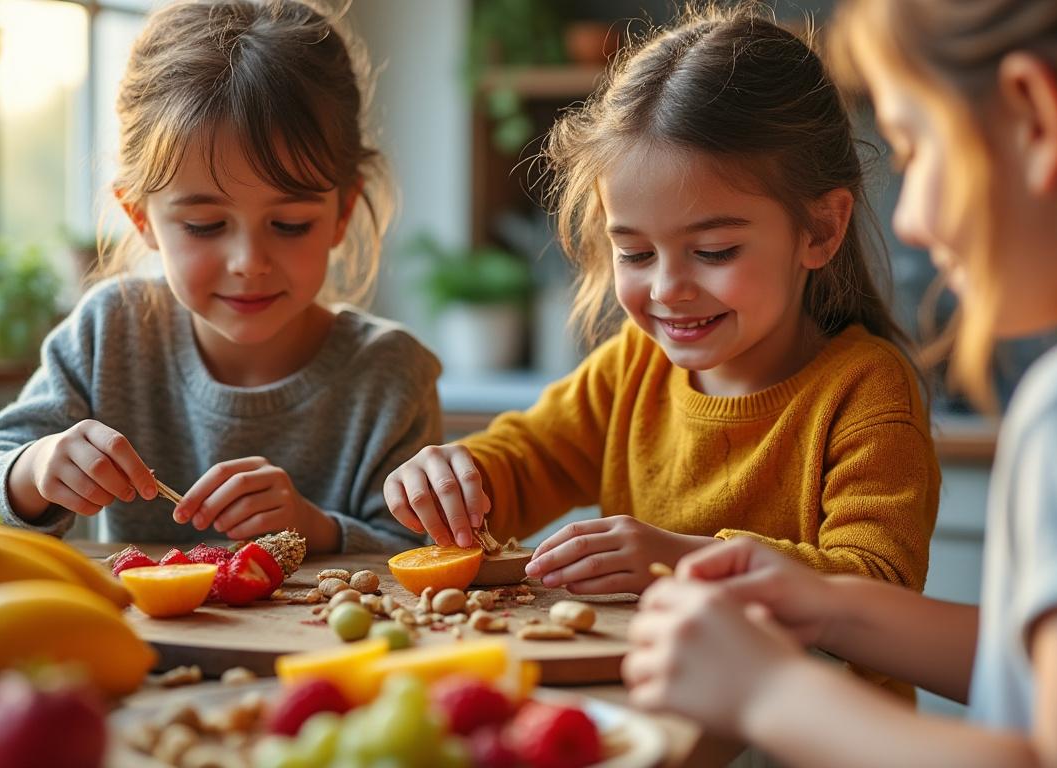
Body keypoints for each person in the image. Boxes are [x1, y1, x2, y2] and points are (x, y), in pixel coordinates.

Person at [624, 1, 1057, 764]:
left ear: (1036, 119)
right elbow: (1054, 667)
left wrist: (767, 692)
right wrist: (830, 605)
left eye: (915, 148)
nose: (907, 220)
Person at [384, 4, 939, 680]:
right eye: (637, 254)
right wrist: (456, 476)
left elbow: (878, 587)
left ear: (821, 229)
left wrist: (680, 559)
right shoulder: (632, 367)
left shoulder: (866, 391)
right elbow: (527, 460)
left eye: (714, 250)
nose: (668, 289)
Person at [0, 0, 441, 554]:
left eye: (290, 224)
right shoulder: (110, 334)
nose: (249, 261)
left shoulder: (391, 375)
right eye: (204, 226)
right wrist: (33, 471)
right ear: (141, 219)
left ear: (342, 213)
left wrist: (316, 527)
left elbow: (422, 559)